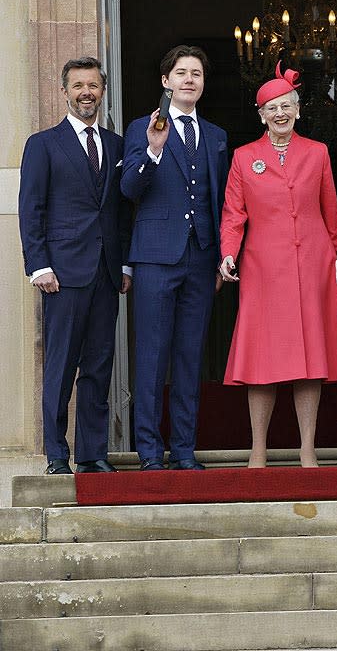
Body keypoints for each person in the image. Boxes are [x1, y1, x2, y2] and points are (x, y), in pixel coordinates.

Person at [219, 63, 337, 468]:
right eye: (271, 108)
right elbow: (233, 214)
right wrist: (229, 253)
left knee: (310, 359)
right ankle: (258, 450)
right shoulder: (245, 158)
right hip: (263, 268)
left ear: (297, 110)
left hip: (313, 265)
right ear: (261, 115)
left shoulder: (317, 152)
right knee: (261, 359)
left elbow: (332, 215)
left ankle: (308, 450)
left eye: (286, 106)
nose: (279, 114)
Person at [18, 57, 132, 474]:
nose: (87, 92)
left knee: (99, 366)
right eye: (78, 85)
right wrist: (39, 266)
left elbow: (121, 212)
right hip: (62, 275)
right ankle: (55, 455)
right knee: (61, 365)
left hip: (105, 272)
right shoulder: (43, 143)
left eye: (94, 85)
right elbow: (31, 209)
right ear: (64, 91)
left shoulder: (118, 145)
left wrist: (125, 265)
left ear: (103, 91)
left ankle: (92, 454)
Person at [121, 45, 228, 471]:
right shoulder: (140, 128)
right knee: (151, 354)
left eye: (196, 74)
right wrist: (152, 151)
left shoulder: (217, 136)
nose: (189, 80)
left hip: (200, 259)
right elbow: (128, 189)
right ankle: (149, 451)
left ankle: (184, 450)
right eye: (181, 73)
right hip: (154, 257)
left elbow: (223, 201)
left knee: (189, 355)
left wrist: (222, 256)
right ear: (165, 81)